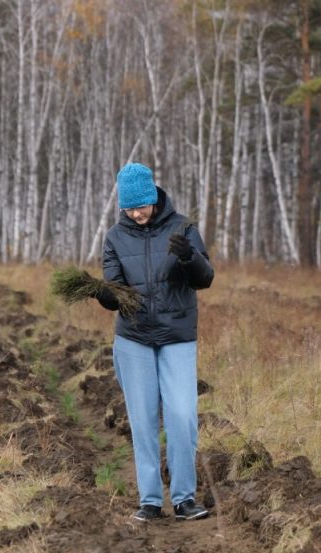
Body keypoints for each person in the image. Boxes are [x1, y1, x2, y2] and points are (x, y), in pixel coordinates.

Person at [93, 162, 214, 521]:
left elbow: (204, 279)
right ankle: (149, 500)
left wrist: (188, 257)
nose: (136, 213)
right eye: (129, 208)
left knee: (181, 416)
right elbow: (115, 287)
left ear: (153, 197)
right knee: (142, 420)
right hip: (134, 339)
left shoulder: (182, 228)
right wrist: (105, 295)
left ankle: (184, 498)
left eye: (141, 206)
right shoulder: (115, 237)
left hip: (176, 334)